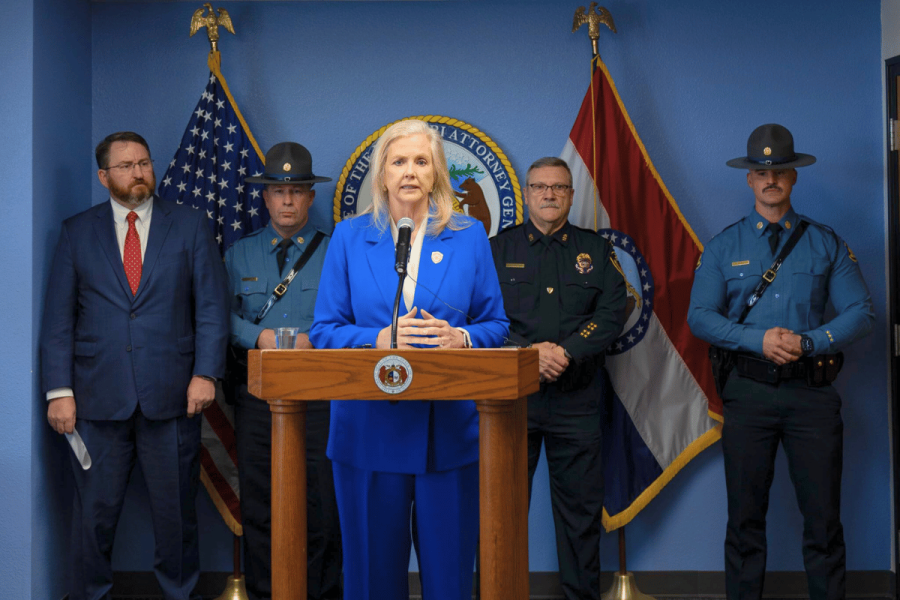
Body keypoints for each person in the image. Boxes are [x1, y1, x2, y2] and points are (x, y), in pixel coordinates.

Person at [309, 119, 508, 600]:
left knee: (450, 579)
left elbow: (496, 323)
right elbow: (324, 330)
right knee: (372, 580)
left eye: (421, 161)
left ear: (437, 172)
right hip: (368, 431)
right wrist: (377, 338)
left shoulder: (469, 235)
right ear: (382, 175)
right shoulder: (349, 237)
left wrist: (461, 337)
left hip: (448, 432)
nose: (410, 172)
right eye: (398, 162)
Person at [688, 124, 874, 600]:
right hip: (748, 394)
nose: (770, 179)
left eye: (780, 171)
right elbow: (700, 317)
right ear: (749, 179)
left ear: (794, 176)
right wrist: (757, 340)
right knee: (744, 519)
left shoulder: (825, 243)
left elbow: (860, 312)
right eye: (761, 172)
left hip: (811, 394)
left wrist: (810, 342)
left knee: (824, 520)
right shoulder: (724, 246)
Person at [40, 131, 228, 600]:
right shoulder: (76, 232)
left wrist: (205, 373)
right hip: (95, 401)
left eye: (144, 163)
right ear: (104, 176)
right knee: (94, 516)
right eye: (125, 166)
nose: (138, 172)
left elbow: (211, 307)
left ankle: (179, 593)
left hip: (174, 397)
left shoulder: (189, 225)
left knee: (176, 516)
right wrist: (58, 391)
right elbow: (59, 320)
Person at [489, 157, 627, 600]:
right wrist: (528, 353)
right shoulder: (496, 249)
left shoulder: (596, 250)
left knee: (580, 516)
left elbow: (614, 311)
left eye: (559, 187)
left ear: (571, 195)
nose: (549, 194)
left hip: (577, 398)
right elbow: (478, 316)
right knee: (501, 511)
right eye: (540, 187)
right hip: (512, 399)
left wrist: (565, 351)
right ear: (526, 194)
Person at [225, 142, 341, 600]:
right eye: (278, 191)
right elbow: (217, 315)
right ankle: (265, 593)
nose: (287, 200)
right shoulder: (239, 254)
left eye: (296, 191)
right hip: (258, 398)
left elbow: (354, 314)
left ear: (310, 197)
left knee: (323, 505)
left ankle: (322, 593)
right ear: (265, 197)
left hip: (321, 396)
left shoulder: (335, 252)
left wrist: (320, 337)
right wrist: (258, 337)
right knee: (261, 503)